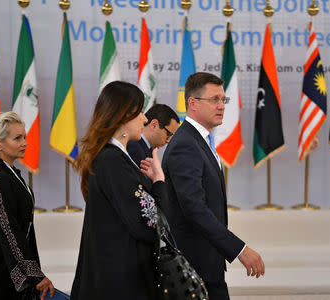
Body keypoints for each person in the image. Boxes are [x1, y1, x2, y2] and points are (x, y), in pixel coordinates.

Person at [162, 72, 265, 300]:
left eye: (223, 100)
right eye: (214, 99)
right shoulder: (186, 145)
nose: (221, 106)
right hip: (193, 268)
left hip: (208, 265)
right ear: (192, 103)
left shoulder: (200, 140)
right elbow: (194, 209)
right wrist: (239, 249)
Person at [71, 81, 166, 300]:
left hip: (118, 277)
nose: (144, 119)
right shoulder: (112, 160)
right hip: (119, 283)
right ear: (124, 116)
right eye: (140, 112)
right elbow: (148, 224)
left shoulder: (114, 158)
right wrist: (159, 181)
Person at [0, 112, 54, 300]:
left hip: (9, 266)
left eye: (24, 137)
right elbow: (8, 228)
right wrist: (35, 274)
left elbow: (24, 228)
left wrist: (34, 270)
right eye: (17, 138)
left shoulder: (10, 173)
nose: (25, 143)